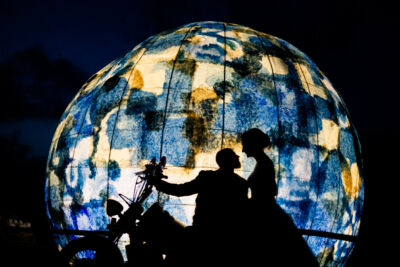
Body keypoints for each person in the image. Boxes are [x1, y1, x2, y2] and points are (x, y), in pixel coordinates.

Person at [152, 148, 249, 266]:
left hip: (201, 232)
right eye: (234, 155)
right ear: (227, 160)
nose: (238, 157)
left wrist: (158, 183)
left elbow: (181, 190)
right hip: (225, 238)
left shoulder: (207, 177)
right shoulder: (241, 184)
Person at [241, 128, 319, 267]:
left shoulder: (265, 164)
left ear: (254, 144)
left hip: (263, 214)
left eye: (245, 144)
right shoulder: (263, 163)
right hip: (265, 212)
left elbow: (269, 191)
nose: (243, 149)